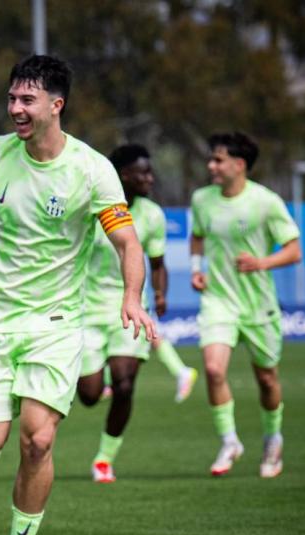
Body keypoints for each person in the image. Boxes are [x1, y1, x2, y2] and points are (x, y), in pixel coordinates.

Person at [0, 55, 156, 535]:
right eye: (12, 98)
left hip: (54, 324)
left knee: (38, 438)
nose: (15, 108)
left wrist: (132, 296)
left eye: (26, 100)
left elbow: (127, 241)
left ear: (57, 105)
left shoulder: (92, 168)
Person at [76, 143, 194, 483]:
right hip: (85, 310)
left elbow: (157, 262)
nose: (150, 179)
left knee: (125, 385)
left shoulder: (153, 216)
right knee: (89, 394)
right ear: (123, 176)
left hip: (128, 308)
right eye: (143, 172)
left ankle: (103, 459)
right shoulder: (91, 208)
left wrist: (159, 292)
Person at [190, 132, 301, 479]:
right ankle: (229, 441)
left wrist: (261, 263)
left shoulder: (265, 202)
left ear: (239, 165)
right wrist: (197, 271)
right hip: (218, 301)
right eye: (211, 159)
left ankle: (273, 439)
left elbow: (294, 250)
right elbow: (196, 237)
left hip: (258, 305)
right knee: (212, 369)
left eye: (218, 160)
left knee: (267, 379)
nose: (212, 165)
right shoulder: (201, 199)